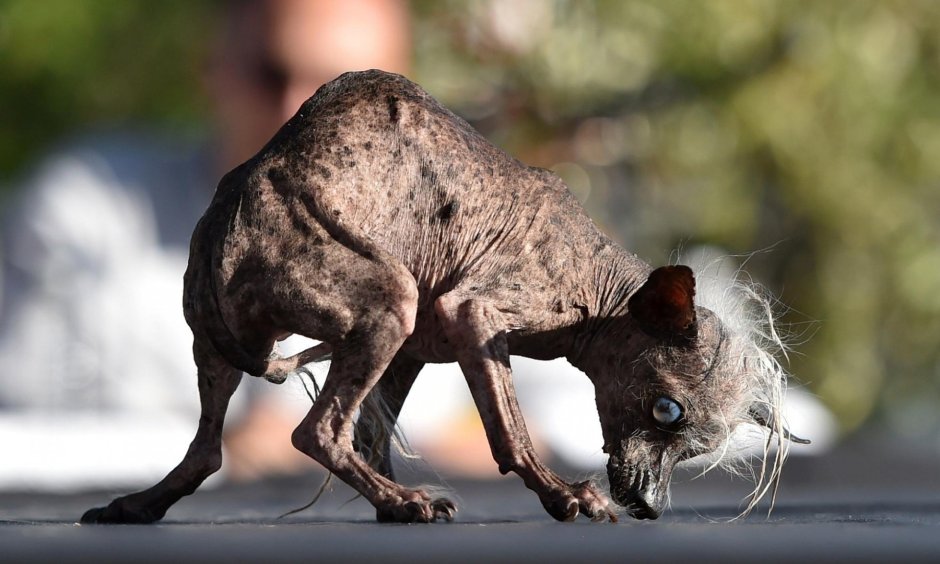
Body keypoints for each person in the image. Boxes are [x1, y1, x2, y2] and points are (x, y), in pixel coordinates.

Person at [0, 0, 411, 489]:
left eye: (339, 91)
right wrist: (233, 451)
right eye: (270, 74)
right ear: (212, 67)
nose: (297, 111)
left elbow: (521, 430)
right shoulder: (88, 211)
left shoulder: (457, 237)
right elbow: (20, 430)